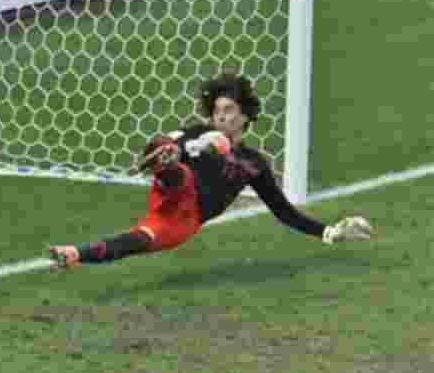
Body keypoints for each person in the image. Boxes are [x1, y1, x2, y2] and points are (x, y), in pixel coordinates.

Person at [49, 71, 374, 269]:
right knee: (180, 165)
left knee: (136, 241)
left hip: (186, 220)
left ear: (245, 116)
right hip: (173, 193)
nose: (221, 116)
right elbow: (175, 137)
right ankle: (165, 164)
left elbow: (283, 212)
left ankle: (74, 254)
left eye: (229, 110)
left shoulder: (254, 164)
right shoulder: (195, 132)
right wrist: (177, 146)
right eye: (217, 110)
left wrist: (331, 233)